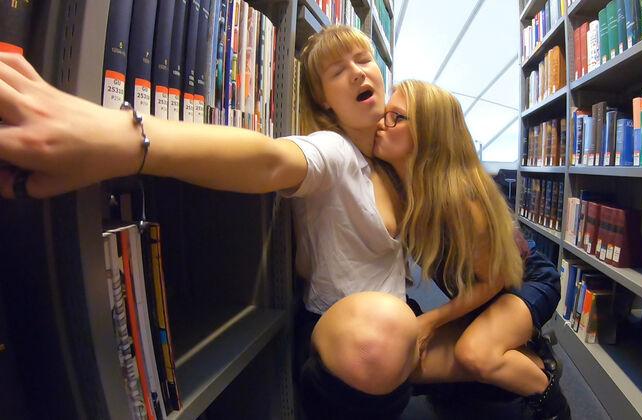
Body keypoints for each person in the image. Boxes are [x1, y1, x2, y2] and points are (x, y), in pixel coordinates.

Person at [0, 25, 418, 418]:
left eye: (363, 60)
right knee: (386, 332)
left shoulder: (391, 163)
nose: (356, 73)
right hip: (351, 345)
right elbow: (271, 161)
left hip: (401, 330)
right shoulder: (334, 151)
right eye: (337, 71)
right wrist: (126, 139)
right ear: (324, 100)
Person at [370, 80, 570, 420]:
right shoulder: (407, 190)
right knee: (406, 363)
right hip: (481, 293)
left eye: (394, 117)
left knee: (475, 354)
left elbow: (494, 281)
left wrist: (430, 321)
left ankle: (545, 384)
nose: (380, 123)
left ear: (427, 133)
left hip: (522, 282)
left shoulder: (461, 201)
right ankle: (513, 353)